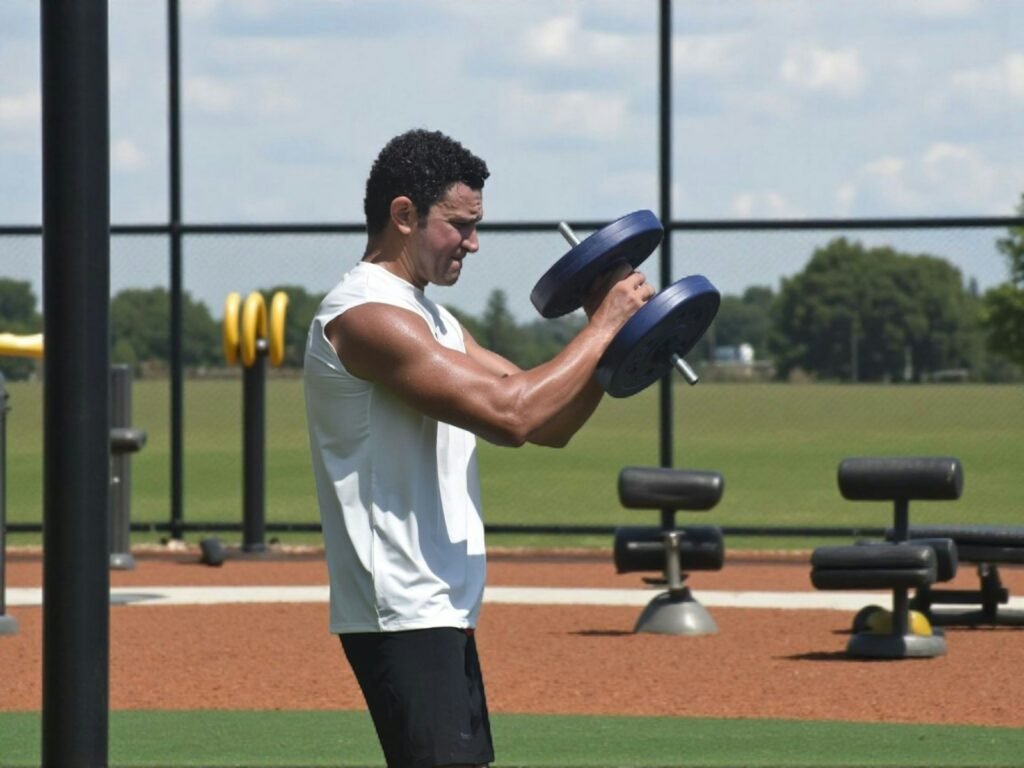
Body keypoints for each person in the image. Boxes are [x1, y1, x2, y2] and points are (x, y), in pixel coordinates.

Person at [303, 128, 654, 768]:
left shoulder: (434, 320)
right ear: (404, 215)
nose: (474, 242)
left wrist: (618, 345)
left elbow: (550, 421)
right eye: (460, 225)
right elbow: (511, 414)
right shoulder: (362, 316)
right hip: (402, 605)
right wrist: (604, 323)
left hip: (442, 603)